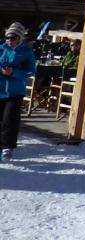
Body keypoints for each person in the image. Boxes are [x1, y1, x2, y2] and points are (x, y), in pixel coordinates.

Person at [0, 22, 36, 162]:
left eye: (13, 37)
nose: (9, 40)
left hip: (15, 91)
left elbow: (31, 71)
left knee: (9, 119)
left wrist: (14, 72)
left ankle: (7, 147)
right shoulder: (1, 49)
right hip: (0, 89)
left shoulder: (26, 52)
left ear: (19, 38)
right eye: (8, 37)